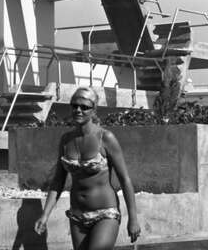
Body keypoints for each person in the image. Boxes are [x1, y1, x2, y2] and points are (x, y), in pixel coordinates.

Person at [34, 86, 140, 249]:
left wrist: (133, 218)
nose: (78, 110)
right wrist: (45, 215)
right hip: (77, 216)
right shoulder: (66, 140)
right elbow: (58, 181)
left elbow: (125, 180)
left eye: (84, 107)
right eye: (74, 105)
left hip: (105, 213)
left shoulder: (105, 138)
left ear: (94, 110)